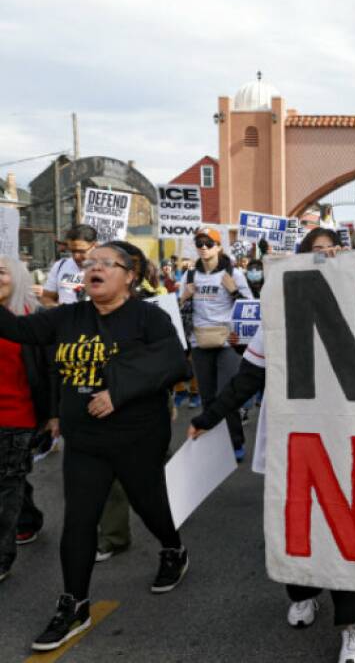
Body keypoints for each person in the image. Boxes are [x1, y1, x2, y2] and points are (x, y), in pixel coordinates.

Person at [192, 226, 355, 663]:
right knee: (297, 528)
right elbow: (249, 378)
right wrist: (209, 416)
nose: (326, 258)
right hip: (294, 445)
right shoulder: (282, 311)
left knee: (348, 532)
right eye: (317, 252)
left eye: (334, 251)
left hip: (347, 441)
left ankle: (353, 626)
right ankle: (303, 591)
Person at [0, 241, 190, 652]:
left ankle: (173, 548)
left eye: (106, 263)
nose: (93, 268)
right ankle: (75, 603)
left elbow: (174, 362)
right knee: (80, 519)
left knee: (148, 503)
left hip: (137, 436)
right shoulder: (69, 316)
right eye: (89, 264)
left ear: (129, 275)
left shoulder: (147, 317)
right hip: (84, 439)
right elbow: (17, 330)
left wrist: (117, 392)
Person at [0, 256, 55, 582]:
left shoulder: (33, 316)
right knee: (13, 478)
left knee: (6, 484)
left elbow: (49, 371)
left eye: (2, 272)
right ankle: (29, 518)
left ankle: (2, 557)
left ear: (17, 277)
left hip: (16, 415)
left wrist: (53, 415)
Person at [179, 227, 251, 460]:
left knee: (225, 395)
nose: (203, 247)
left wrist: (234, 292)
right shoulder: (189, 276)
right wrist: (184, 298)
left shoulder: (234, 274)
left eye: (209, 243)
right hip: (199, 341)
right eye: (199, 242)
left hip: (227, 341)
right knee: (208, 397)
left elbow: (250, 309)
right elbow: (178, 309)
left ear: (219, 247)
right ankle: (212, 445)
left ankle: (235, 442)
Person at [42, 224, 98, 306]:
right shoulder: (60, 266)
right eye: (72, 251)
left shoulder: (107, 269)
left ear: (94, 246)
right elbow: (46, 297)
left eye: (81, 251)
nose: (76, 256)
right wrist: (59, 310)